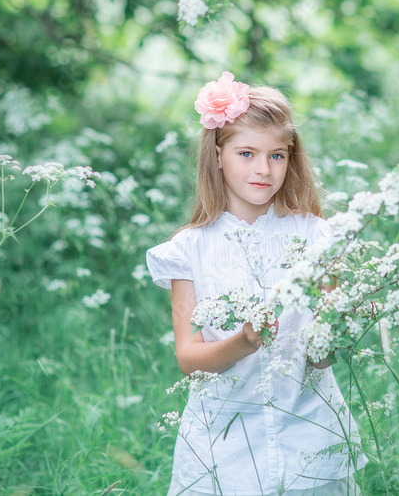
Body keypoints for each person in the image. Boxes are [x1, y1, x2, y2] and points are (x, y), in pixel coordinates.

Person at [146, 71, 366, 496]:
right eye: (246, 153)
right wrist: (244, 341)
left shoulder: (315, 236)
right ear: (217, 156)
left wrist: (343, 325)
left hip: (310, 435)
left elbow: (325, 356)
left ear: (291, 159)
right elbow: (189, 358)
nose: (263, 169)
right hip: (222, 446)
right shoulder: (187, 249)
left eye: (277, 156)